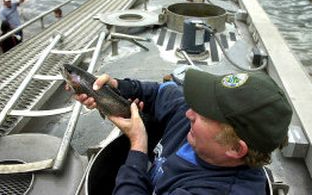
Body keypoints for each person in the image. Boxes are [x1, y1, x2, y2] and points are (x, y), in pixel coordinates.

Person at [73, 69, 293, 194]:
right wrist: (117, 87)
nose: (190, 113)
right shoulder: (190, 119)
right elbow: (162, 92)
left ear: (235, 148)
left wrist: (138, 145)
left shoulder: (220, 191)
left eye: (204, 113)